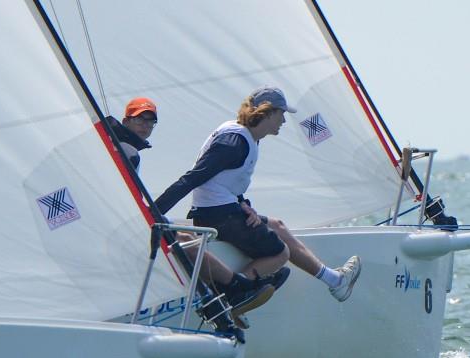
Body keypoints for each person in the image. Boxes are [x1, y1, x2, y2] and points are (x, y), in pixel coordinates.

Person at [155, 87, 361, 302]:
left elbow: (226, 181)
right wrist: (152, 213)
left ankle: (335, 280)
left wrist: (243, 204)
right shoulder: (233, 143)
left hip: (224, 209)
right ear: (268, 112)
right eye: (281, 114)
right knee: (280, 254)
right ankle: (234, 293)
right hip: (218, 216)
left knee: (277, 225)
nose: (283, 120)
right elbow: (193, 179)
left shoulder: (249, 137)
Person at [109, 97, 278, 323]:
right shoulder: (128, 151)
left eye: (151, 121)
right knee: (185, 240)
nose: (146, 125)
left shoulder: (121, 146)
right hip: (123, 224)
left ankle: (230, 287)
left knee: (185, 236)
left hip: (127, 219)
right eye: (140, 118)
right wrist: (152, 215)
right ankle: (233, 288)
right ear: (126, 121)